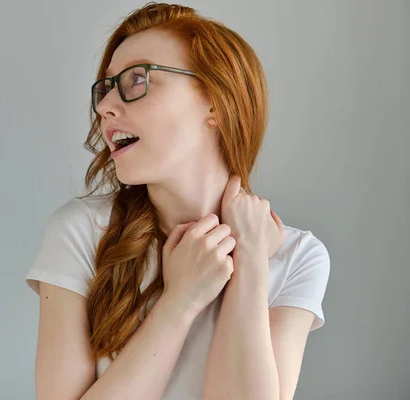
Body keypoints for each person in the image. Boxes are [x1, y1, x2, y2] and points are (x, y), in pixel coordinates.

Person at [25, 2, 330, 399]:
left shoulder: (298, 257)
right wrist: (181, 300)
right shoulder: (81, 232)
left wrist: (251, 263)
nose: (103, 107)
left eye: (137, 79)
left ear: (216, 103)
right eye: (105, 88)